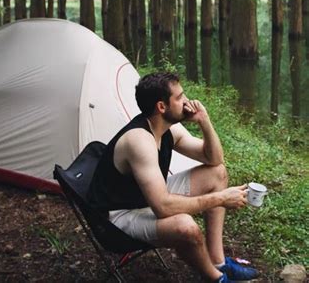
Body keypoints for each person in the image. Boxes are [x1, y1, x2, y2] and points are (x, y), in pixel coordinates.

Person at [88, 71, 259, 282]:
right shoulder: (139, 140)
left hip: (144, 196)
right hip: (119, 216)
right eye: (179, 98)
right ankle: (216, 278)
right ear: (162, 107)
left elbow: (213, 159)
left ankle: (218, 262)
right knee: (186, 227)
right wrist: (221, 198)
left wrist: (204, 121)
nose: (187, 102)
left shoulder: (167, 129)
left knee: (217, 173)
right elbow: (163, 207)